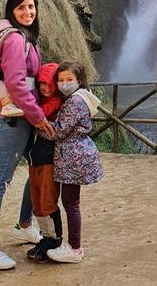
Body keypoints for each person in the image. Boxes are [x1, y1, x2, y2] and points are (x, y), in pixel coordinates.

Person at [0, 0, 55, 270]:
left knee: (36, 168)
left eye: (31, 7)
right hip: (14, 118)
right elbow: (17, 85)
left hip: (24, 116)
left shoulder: (26, 39)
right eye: (21, 8)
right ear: (12, 11)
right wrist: (39, 118)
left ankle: (24, 224)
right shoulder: (13, 40)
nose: (27, 12)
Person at [44, 61, 104, 264]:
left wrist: (38, 123)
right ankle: (73, 245)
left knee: (71, 203)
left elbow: (59, 131)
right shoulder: (81, 97)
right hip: (75, 156)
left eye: (69, 80)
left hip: (73, 158)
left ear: (79, 80)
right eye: (60, 80)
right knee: (71, 202)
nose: (64, 84)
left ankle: (75, 248)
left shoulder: (74, 102)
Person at [26, 63, 63, 262]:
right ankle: (45, 238)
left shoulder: (55, 102)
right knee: (37, 202)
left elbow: (37, 114)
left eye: (50, 84)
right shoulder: (43, 100)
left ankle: (55, 240)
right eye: (42, 84)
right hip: (36, 158)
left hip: (49, 159)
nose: (46, 88)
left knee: (47, 201)